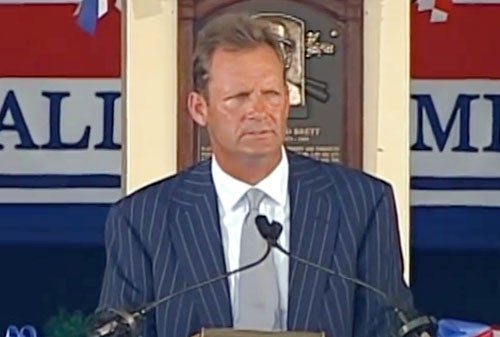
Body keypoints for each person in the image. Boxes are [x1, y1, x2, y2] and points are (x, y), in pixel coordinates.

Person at [97, 13, 414, 337]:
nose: (259, 111)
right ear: (199, 108)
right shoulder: (143, 219)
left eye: (272, 94)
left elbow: (389, 325)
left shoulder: (360, 204)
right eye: (239, 97)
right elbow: (121, 329)